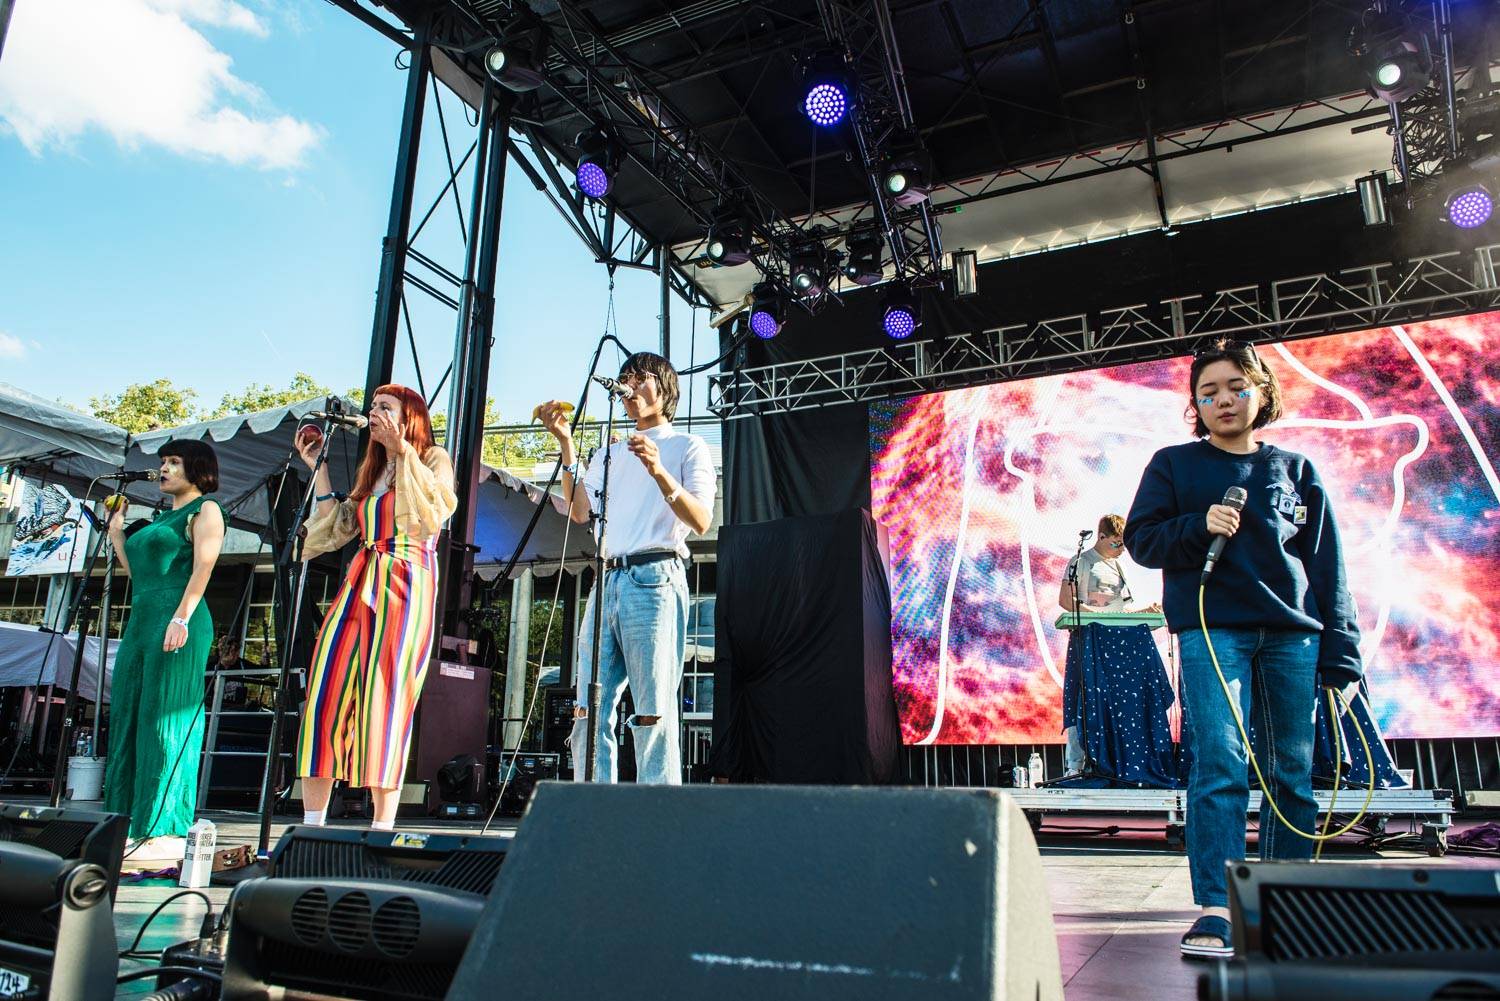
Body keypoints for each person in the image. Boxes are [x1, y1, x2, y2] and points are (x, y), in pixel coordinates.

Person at [1124, 339, 1361, 959]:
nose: (1222, 400)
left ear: (1263, 392)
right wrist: (1197, 524)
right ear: (1195, 405)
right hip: (1212, 629)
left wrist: (1343, 654)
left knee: (1290, 770)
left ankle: (1283, 901)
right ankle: (1218, 908)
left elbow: (1328, 567)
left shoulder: (1297, 470)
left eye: (1235, 387)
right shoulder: (1174, 465)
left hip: (1293, 635)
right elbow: (1143, 542)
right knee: (1220, 765)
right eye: (1208, 393)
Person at [537, 352, 715, 784]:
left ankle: (657, 819)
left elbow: (701, 519)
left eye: (640, 378)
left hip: (654, 577)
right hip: (608, 577)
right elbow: (580, 512)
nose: (629, 387)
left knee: (652, 709)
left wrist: (657, 470)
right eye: (624, 381)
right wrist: (566, 444)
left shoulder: (686, 446)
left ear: (664, 388)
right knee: (587, 708)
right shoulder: (608, 453)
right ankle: (595, 814)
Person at [293, 385, 457, 830]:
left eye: (386, 407)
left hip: (407, 578)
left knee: (385, 694)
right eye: (374, 407)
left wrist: (402, 448)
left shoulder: (432, 459)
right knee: (326, 687)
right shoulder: (374, 471)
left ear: (410, 418)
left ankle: (382, 827)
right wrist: (319, 468)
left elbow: (435, 509)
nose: (375, 413)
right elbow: (336, 527)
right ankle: (312, 823)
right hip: (362, 577)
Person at [103, 439, 226, 857]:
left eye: (174, 462)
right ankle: (124, 820)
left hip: (178, 616)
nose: (164, 469)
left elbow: (204, 564)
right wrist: (117, 533)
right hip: (142, 620)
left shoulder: (204, 509)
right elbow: (139, 572)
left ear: (196, 468)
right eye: (163, 462)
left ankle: (163, 826)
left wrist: (182, 616)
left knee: (163, 716)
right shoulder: (159, 520)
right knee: (128, 714)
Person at [1056, 514, 1162, 774]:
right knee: (1084, 698)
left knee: (1115, 701)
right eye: (1116, 544)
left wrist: (1143, 613)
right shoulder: (1082, 561)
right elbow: (1066, 601)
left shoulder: (1118, 567)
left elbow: (1119, 611)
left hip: (1116, 642)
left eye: (1124, 545)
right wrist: (1097, 616)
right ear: (1101, 536)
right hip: (1090, 640)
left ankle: (1117, 762)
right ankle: (1076, 765)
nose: (1121, 550)